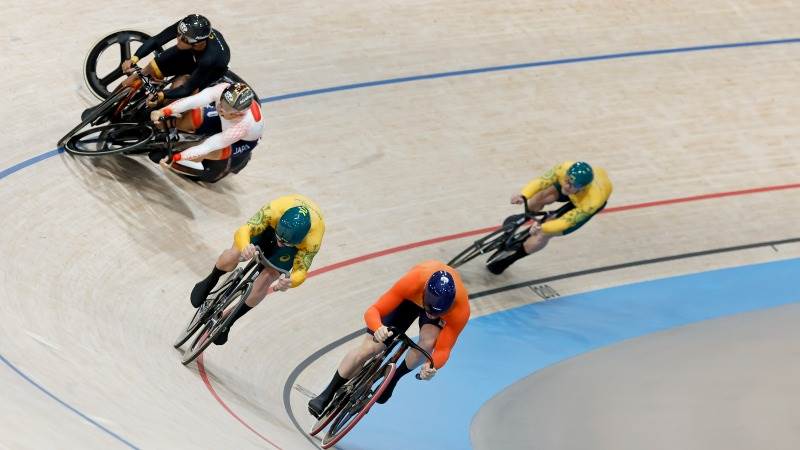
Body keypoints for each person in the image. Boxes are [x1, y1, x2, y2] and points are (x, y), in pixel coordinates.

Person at [308, 261, 470, 418]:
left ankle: (393, 378)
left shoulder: (460, 309)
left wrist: (431, 366)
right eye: (429, 310)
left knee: (428, 343)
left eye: (437, 314)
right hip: (409, 299)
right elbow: (374, 310)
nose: (431, 315)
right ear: (424, 295)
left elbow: (443, 349)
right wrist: (378, 328)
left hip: (433, 304)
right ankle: (326, 394)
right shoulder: (413, 281)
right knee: (369, 349)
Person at [191, 194, 325, 345]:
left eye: (286, 242)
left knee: (267, 278)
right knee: (235, 253)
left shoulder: (312, 240)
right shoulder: (273, 210)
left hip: (291, 245)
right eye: (280, 238)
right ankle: (211, 280)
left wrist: (289, 281)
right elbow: (244, 230)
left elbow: (301, 271)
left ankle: (229, 321)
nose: (280, 243)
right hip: (269, 228)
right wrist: (245, 246)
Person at [486, 161, 612, 274]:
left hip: (583, 202)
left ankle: (509, 260)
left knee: (544, 233)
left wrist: (542, 226)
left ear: (583, 187)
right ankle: (523, 219)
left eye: (574, 185)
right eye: (567, 180)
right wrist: (523, 195)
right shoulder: (564, 168)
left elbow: (565, 222)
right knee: (539, 197)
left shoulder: (593, 201)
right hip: (579, 192)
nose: (568, 186)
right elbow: (541, 181)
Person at [149, 81, 262, 182]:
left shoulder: (242, 126)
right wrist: (163, 112)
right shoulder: (222, 89)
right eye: (222, 102)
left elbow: (207, 147)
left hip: (241, 141)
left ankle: (189, 158)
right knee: (193, 117)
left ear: (239, 114)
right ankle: (167, 126)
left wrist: (176, 158)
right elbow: (192, 101)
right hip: (227, 121)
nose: (221, 109)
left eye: (227, 108)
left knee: (205, 152)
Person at [120, 14, 230, 105]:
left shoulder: (209, 59)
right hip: (188, 53)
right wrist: (134, 59)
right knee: (145, 72)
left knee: (172, 97)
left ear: (198, 43)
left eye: (183, 38)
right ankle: (113, 102)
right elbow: (157, 40)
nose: (178, 38)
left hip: (209, 70)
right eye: (179, 34)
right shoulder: (187, 29)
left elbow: (186, 89)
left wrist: (163, 94)